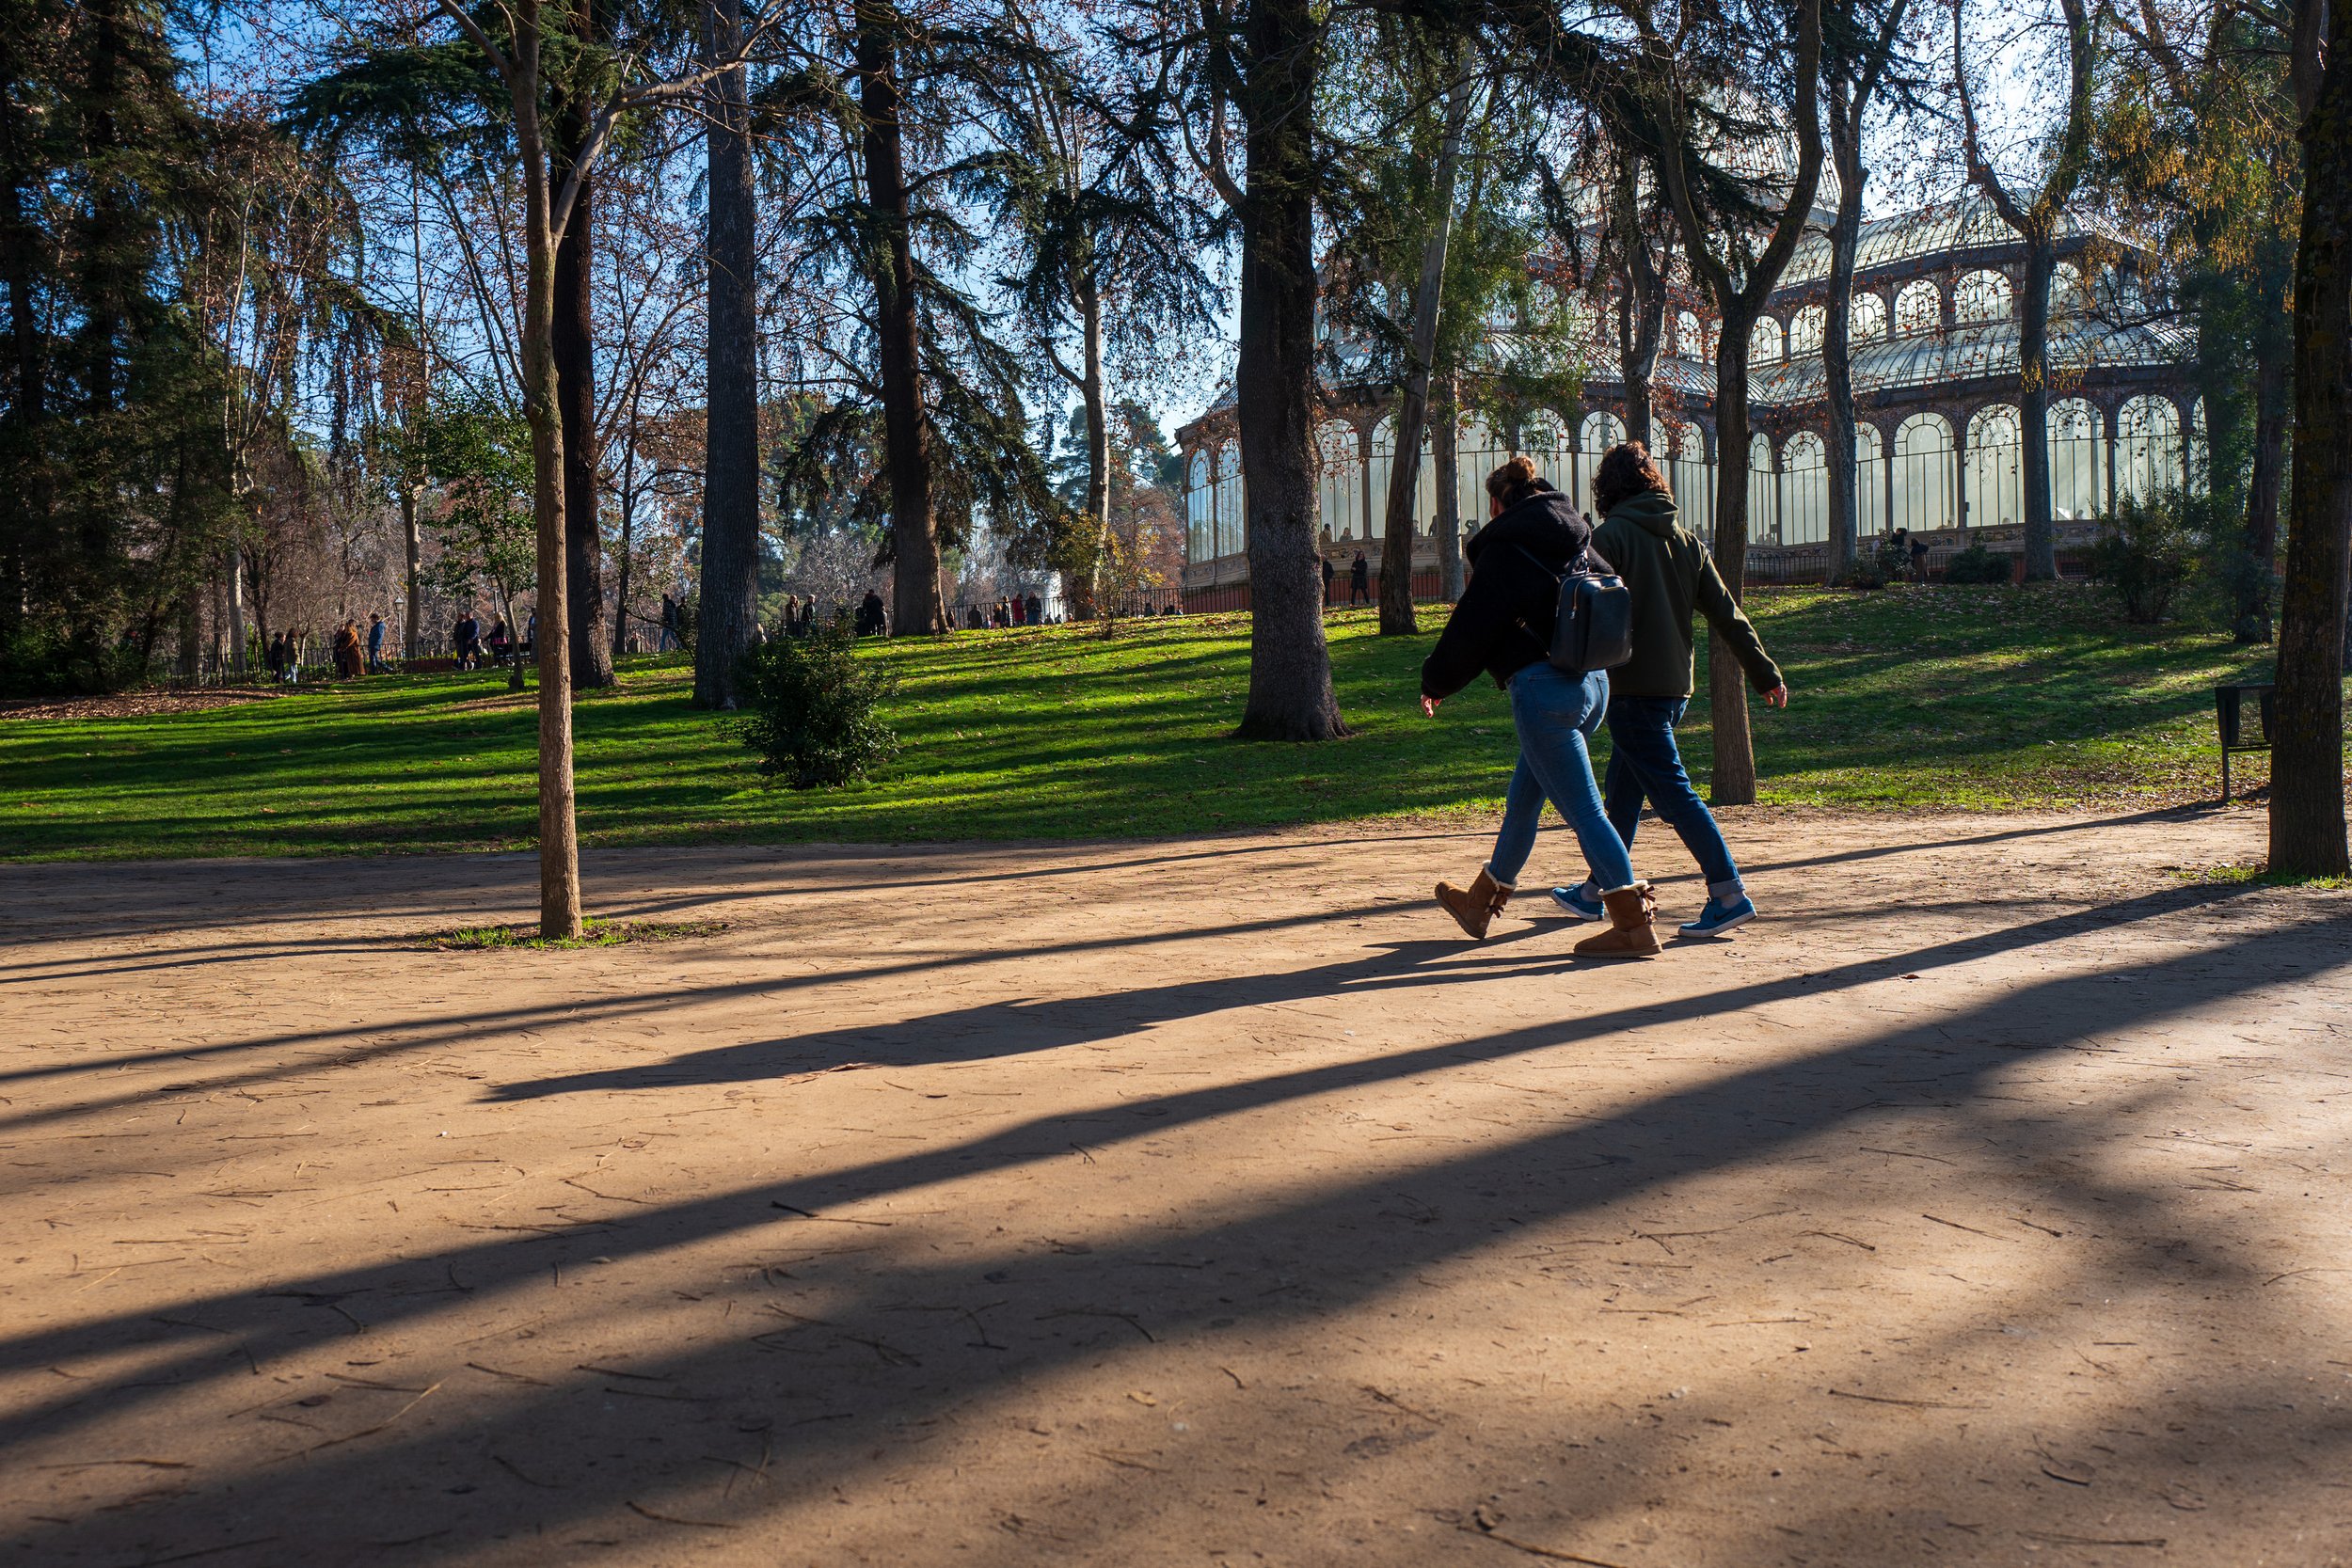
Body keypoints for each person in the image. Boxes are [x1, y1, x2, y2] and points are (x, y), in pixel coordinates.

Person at [1422, 456, 1659, 958]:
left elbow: (1471, 627)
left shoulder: (1505, 550)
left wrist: (1436, 681)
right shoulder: (1578, 540)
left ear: (1496, 504)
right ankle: (1479, 903)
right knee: (1525, 799)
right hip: (1594, 685)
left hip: (1545, 695)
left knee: (1587, 812)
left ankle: (1633, 925)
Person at [1549, 441, 1787, 939]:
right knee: (1624, 792)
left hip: (1630, 689)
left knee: (1675, 796)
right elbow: (1728, 616)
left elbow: (1579, 608)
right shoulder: (1688, 542)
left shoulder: (1608, 538)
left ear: (1608, 489)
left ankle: (1728, 893)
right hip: (1675, 689)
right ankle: (1597, 890)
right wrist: (1765, 674)